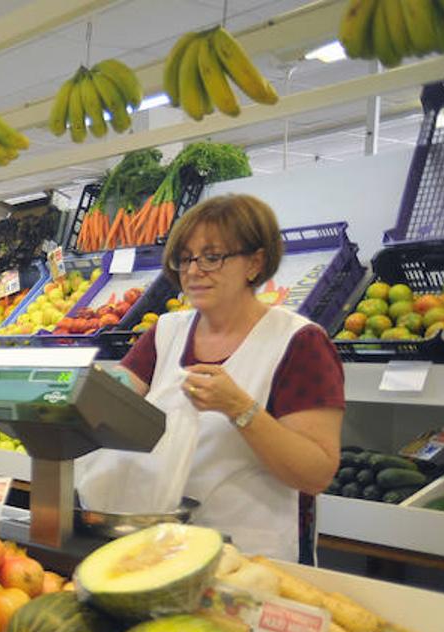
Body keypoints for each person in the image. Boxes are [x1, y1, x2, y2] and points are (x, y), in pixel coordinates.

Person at [117, 194, 344, 563]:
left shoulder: (299, 342)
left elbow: (316, 473)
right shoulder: (164, 333)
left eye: (212, 257)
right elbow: (115, 399)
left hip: (253, 557)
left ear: (255, 262)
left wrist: (240, 409)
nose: (193, 271)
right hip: (163, 547)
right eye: (185, 257)